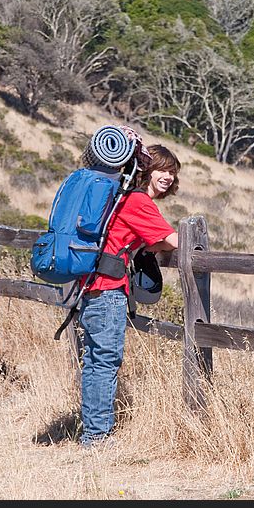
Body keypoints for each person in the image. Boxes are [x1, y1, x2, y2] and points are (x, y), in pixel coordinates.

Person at [78, 139, 181, 447]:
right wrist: (157, 243)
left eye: (173, 172)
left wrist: (151, 243)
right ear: (146, 170)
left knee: (95, 361)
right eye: (161, 169)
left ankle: (92, 432)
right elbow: (174, 240)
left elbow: (146, 240)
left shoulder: (121, 199)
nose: (168, 177)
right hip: (109, 290)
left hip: (91, 286)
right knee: (105, 361)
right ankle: (97, 436)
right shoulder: (138, 201)